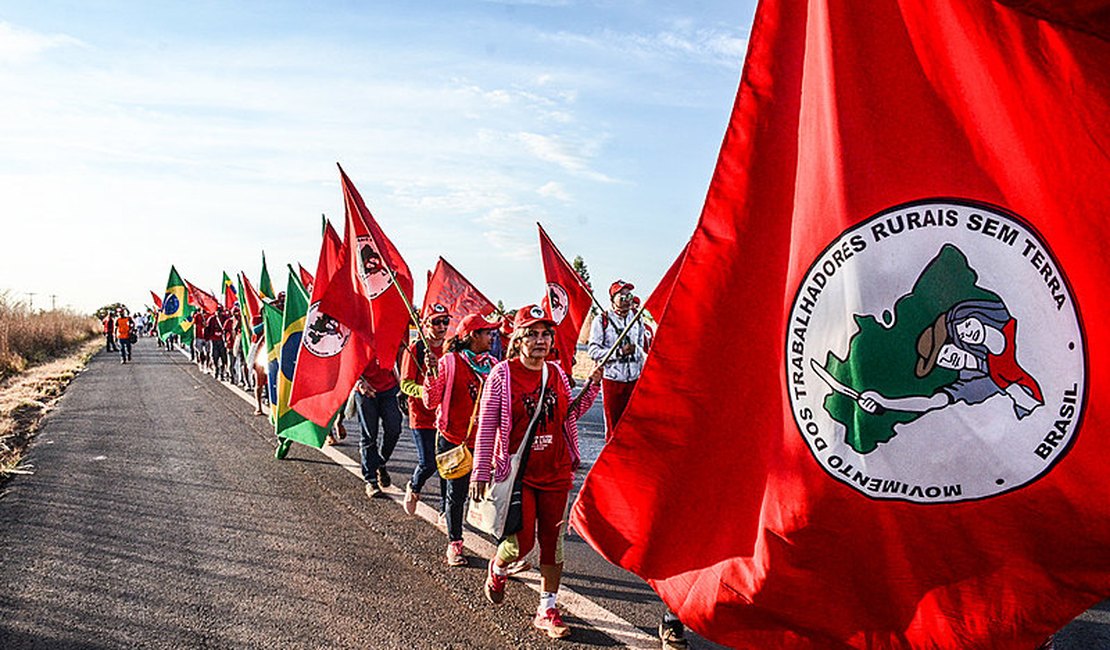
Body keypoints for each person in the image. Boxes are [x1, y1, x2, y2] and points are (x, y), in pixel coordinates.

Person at [471, 304, 602, 639]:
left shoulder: (556, 373)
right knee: (521, 542)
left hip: (556, 471)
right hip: (519, 475)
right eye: (532, 333)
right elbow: (486, 428)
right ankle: (498, 568)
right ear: (518, 339)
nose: (540, 340)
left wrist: (594, 386)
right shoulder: (503, 375)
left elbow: (568, 414)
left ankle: (547, 608)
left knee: (552, 543)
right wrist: (480, 471)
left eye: (545, 334)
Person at [858, 298, 1043, 419]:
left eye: (946, 350)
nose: (950, 358)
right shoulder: (980, 380)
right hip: (1034, 417)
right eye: (942, 360)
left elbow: (995, 337)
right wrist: (885, 402)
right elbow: (932, 403)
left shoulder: (1003, 337)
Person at [422, 312, 499, 566]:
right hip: (454, 439)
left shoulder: (492, 365)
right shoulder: (449, 363)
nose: (492, 336)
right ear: (473, 336)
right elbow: (431, 401)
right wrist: (430, 375)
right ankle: (454, 544)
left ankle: (504, 550)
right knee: (456, 494)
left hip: (484, 441)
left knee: (493, 494)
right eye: (487, 332)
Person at [398, 305, 450, 517]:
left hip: (446, 417)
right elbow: (405, 384)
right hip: (421, 416)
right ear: (425, 324)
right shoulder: (416, 349)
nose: (441, 326)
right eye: (436, 322)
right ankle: (414, 486)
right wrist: (428, 392)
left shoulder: (451, 349)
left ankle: (446, 510)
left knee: (448, 465)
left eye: (445, 321)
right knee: (428, 463)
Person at [587, 280, 648, 440]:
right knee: (614, 428)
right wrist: (620, 352)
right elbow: (593, 351)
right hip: (613, 380)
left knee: (633, 426)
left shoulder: (636, 318)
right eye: (622, 297)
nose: (627, 300)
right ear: (612, 298)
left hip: (634, 379)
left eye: (630, 296)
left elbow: (641, 346)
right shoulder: (602, 320)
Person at [356, 356, 403, 498]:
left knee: (394, 429)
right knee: (369, 435)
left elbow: (401, 352)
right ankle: (371, 480)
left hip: (390, 388)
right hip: (365, 389)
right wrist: (358, 383)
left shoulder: (395, 333)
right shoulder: (357, 334)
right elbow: (347, 358)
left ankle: (380, 462)